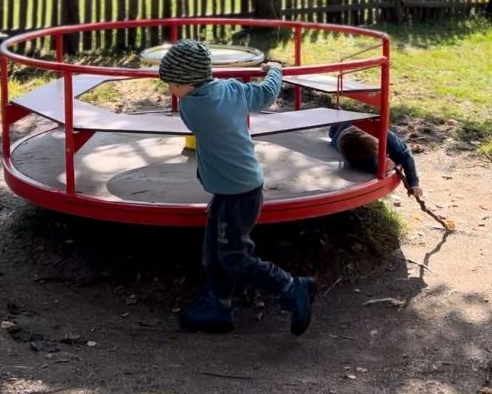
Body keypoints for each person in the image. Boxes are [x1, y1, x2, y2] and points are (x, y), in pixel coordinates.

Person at [158, 38, 316, 335]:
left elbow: (201, 99)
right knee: (214, 251)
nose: (170, 92)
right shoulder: (233, 90)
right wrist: (275, 70)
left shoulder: (192, 108)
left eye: (173, 85)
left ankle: (291, 287)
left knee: (233, 255)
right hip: (238, 188)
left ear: (189, 82)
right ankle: (219, 306)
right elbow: (266, 94)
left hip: (237, 194)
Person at [329, 123, 422, 196]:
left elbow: (405, 155)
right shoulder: (354, 154)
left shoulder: (384, 134)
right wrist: (381, 167)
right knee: (337, 136)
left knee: (396, 148)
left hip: (355, 128)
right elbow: (362, 164)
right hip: (339, 133)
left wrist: (413, 182)